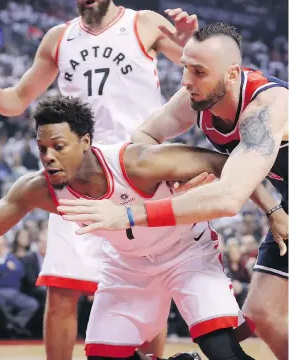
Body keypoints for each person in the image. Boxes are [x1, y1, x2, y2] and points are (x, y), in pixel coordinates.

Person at [0, 0, 199, 358]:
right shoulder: (59, 38)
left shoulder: (143, 23)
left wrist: (193, 42)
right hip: (77, 171)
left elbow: (198, 66)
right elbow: (18, 99)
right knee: (62, 290)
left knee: (148, 289)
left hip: (135, 170)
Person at [0, 95, 260, 360]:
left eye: (58, 146)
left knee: (220, 348)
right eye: (42, 148)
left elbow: (229, 164)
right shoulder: (38, 188)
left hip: (185, 252)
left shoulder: (137, 162)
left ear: (85, 142)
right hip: (129, 265)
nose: (48, 156)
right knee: (102, 356)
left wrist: (273, 211)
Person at [58, 22, 288, 360]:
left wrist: (127, 214)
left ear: (232, 74)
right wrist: (170, 179)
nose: (185, 81)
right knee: (264, 313)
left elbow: (227, 198)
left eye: (198, 71)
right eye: (184, 68)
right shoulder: (197, 98)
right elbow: (143, 140)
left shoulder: (266, 107)